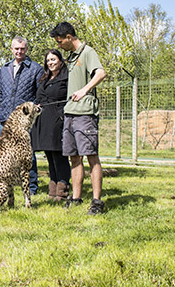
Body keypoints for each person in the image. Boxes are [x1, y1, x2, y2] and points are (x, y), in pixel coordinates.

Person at [50, 21, 106, 215]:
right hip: (70, 113)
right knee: (74, 157)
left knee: (91, 156)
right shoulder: (71, 57)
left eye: (60, 42)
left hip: (85, 114)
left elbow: (101, 73)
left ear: (69, 37)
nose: (58, 46)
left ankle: (97, 201)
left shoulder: (87, 52)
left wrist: (84, 90)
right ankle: (76, 197)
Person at [0, 36, 43, 195]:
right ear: (11, 50)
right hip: (5, 119)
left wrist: (31, 111)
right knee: (4, 155)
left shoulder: (35, 69)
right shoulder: (4, 69)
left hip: (24, 122)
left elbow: (39, 95)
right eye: (16, 48)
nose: (19, 51)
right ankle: (6, 186)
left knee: (27, 155)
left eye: (22, 48)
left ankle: (32, 188)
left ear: (26, 49)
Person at [31, 49, 71, 202]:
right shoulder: (44, 78)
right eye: (48, 60)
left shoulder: (66, 78)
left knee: (59, 156)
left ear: (60, 60)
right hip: (44, 121)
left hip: (58, 120)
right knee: (49, 156)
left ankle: (62, 188)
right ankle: (53, 188)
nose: (51, 62)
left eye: (53, 59)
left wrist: (62, 114)